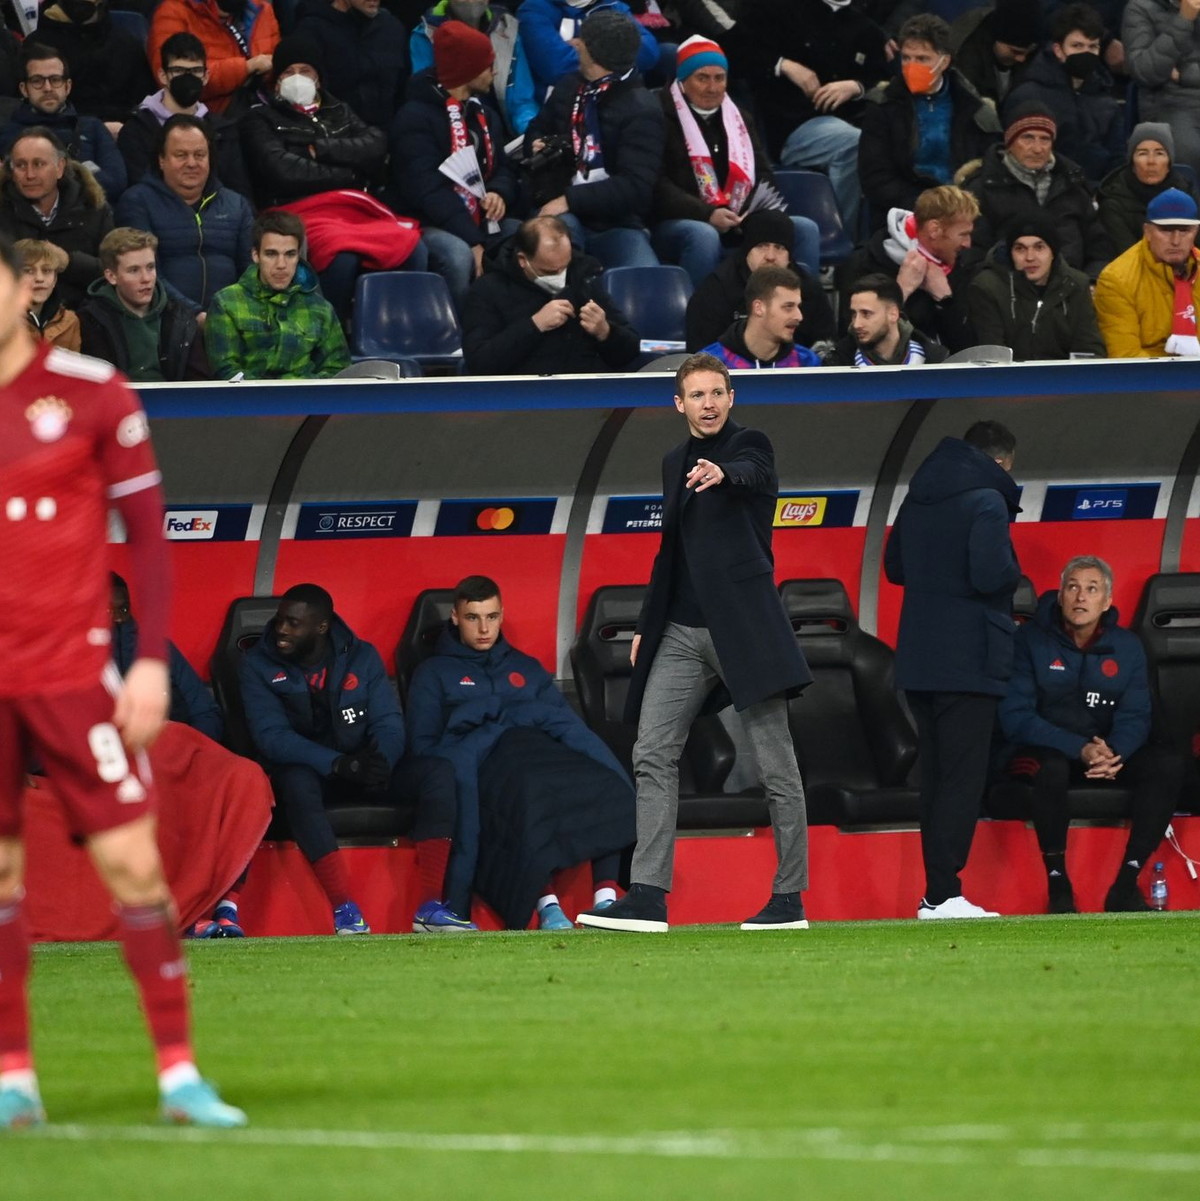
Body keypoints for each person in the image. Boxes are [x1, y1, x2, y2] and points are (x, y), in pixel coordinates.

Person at [0, 232, 245, 1129]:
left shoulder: (93, 392)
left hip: (71, 674)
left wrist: (145, 665)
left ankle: (179, 1073)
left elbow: (147, 538)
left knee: (135, 868)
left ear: (19, 286)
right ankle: (13, 1077)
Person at [577, 352, 814, 933]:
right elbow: (671, 556)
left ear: (731, 397)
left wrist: (723, 472)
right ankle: (649, 895)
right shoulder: (671, 462)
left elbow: (753, 471)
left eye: (718, 393)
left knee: (777, 765)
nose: (709, 403)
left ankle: (789, 899)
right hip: (681, 633)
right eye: (697, 395)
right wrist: (647, 626)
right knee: (652, 754)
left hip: (746, 632)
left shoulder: (750, 444)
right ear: (678, 404)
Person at [406, 576, 637, 929]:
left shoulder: (525, 667)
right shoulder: (433, 673)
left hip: (542, 759)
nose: (484, 628)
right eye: (473, 618)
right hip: (488, 765)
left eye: (492, 617)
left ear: (502, 615)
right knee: (528, 795)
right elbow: (426, 748)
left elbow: (563, 723)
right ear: (454, 617)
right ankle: (547, 905)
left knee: (606, 782)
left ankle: (605, 899)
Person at [240, 584, 471, 934]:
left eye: (293, 623)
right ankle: (344, 909)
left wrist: (382, 762)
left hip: (362, 767)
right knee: (295, 780)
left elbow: (388, 722)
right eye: (279, 621)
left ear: (321, 627)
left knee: (437, 772)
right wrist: (337, 764)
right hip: (315, 775)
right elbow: (273, 738)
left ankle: (430, 907)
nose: (281, 630)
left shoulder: (361, 656)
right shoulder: (256, 664)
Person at [884, 419, 1021, 920]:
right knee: (962, 782)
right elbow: (991, 574)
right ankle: (944, 894)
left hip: (919, 657)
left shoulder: (919, 493)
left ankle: (937, 892)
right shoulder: (987, 500)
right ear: (1000, 461)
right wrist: (1015, 571)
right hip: (970, 658)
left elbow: (894, 568)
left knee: (936, 780)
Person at [998, 556, 1184, 914]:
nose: (1081, 597)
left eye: (1092, 589)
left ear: (1107, 601)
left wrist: (1115, 753)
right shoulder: (1028, 641)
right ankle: (1058, 887)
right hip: (1046, 751)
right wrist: (1078, 748)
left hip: (1102, 755)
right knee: (1048, 767)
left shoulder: (1127, 646)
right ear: (1061, 594)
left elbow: (1136, 715)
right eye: (1073, 587)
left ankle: (1126, 887)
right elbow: (1016, 718)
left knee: (1169, 764)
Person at [650, 35, 821, 287]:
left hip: (738, 218)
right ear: (683, 81)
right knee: (703, 236)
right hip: (677, 221)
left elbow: (764, 174)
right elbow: (656, 184)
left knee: (804, 228)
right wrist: (707, 214)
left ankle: (799, 311)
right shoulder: (656, 115)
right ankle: (701, 319)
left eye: (719, 78)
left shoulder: (740, 118)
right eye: (702, 78)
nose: (712, 87)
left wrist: (748, 212)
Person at [389, 21, 520, 308]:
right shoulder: (414, 118)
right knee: (458, 256)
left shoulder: (483, 112)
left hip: (480, 220)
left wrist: (498, 192)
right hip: (427, 221)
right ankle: (458, 338)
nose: (494, 71)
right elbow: (427, 192)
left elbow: (504, 168)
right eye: (487, 65)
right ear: (467, 71)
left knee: (529, 237)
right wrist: (473, 241)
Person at [523, 8, 665, 270]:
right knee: (560, 250)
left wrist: (569, 199)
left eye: (582, 40)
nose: (575, 43)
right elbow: (537, 128)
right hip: (556, 210)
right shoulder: (570, 86)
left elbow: (635, 187)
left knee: (644, 278)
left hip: (615, 222)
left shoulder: (642, 110)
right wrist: (537, 143)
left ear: (597, 53)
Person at [738, 0, 888, 233]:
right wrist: (783, 65)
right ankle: (838, 239)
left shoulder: (867, 28)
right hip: (791, 124)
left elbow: (882, 77)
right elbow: (739, 48)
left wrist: (856, 86)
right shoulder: (781, 10)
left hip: (851, 120)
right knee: (855, 143)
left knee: (882, 138)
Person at [858, 13, 1002, 224]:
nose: (911, 66)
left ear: (944, 61)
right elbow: (875, 178)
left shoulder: (975, 110)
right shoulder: (882, 105)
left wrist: (958, 206)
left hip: (963, 213)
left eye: (922, 59)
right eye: (906, 58)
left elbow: (991, 171)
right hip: (902, 214)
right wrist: (928, 207)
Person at [461, 214, 639, 374]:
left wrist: (606, 332)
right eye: (549, 271)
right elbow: (479, 363)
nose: (560, 276)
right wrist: (534, 325)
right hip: (521, 400)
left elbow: (630, 351)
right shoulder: (487, 290)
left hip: (583, 397)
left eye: (565, 267)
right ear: (523, 260)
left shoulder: (584, 278)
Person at [115, 115, 254, 317]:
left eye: (200, 155)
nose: (191, 163)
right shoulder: (137, 202)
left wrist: (236, 315)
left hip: (233, 319)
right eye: (181, 155)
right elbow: (146, 276)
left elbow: (250, 270)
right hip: (166, 321)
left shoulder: (237, 205)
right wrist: (194, 315)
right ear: (161, 160)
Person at [961, 102, 1112, 278]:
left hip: (1072, 289)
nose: (1038, 148)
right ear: (1010, 142)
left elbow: (1100, 248)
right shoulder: (982, 188)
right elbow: (973, 254)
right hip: (1008, 292)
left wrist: (1091, 281)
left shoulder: (1073, 184)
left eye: (1045, 139)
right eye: (1028, 138)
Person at [241, 35, 387, 210]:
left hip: (353, 203)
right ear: (277, 83)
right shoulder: (260, 118)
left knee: (417, 237)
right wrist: (351, 174)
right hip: (298, 210)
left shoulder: (340, 109)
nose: (297, 78)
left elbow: (376, 145)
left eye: (305, 71)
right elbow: (282, 170)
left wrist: (321, 149)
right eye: (288, 72)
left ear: (317, 79)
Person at [205, 211, 351, 379]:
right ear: (255, 255)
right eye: (271, 254)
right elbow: (226, 370)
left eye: (290, 254)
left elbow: (337, 370)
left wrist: (297, 394)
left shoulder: (321, 309)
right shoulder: (226, 302)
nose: (281, 265)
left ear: (299, 256)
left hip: (306, 402)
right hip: (249, 402)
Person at [842, 184, 980, 353]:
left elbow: (969, 350)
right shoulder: (865, 264)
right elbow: (852, 344)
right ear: (934, 230)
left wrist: (945, 300)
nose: (968, 244)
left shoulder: (961, 265)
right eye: (963, 234)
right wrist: (900, 292)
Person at [117, 32, 254, 201]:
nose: (188, 78)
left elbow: (240, 194)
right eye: (179, 70)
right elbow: (138, 193)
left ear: (206, 76)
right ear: (163, 75)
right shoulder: (137, 129)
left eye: (196, 70)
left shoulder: (223, 131)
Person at [684, 208, 834, 354]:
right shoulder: (717, 289)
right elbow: (700, 353)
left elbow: (825, 347)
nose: (770, 256)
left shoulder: (809, 289)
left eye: (779, 248)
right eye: (762, 246)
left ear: (789, 256)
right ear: (746, 252)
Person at [1004, 3, 1124, 183]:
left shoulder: (1106, 102)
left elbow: (1118, 158)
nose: (1085, 53)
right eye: (1077, 45)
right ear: (1058, 50)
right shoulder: (1027, 97)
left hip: (1098, 197)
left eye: (1092, 47)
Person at [78, 227, 210, 383]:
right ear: (112, 276)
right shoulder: (91, 320)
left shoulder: (181, 317)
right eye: (134, 270)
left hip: (175, 404)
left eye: (150, 267)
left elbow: (199, 383)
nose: (146, 278)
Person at [0, 129, 114, 307]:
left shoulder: (93, 207)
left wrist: (69, 263)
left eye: (38, 164)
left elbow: (115, 272)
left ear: (59, 167)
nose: (29, 175)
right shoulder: (3, 211)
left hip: (84, 317)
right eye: (21, 165)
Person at [968, 214, 1107, 359]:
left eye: (1039, 247)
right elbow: (992, 355)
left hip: (1064, 378)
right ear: (1010, 254)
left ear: (1053, 252)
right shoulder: (988, 287)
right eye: (1020, 249)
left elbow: (1089, 348)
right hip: (1010, 378)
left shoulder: (1075, 284)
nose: (1030, 257)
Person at [0, 43, 126, 199]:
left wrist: (51, 179)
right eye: (37, 80)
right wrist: (85, 172)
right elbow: (15, 188)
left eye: (55, 79)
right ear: (24, 89)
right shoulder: (8, 135)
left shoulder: (92, 127)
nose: (47, 88)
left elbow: (116, 181)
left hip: (89, 217)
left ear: (67, 86)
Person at [110, 574, 223, 745]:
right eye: (107, 611)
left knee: (246, 771)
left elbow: (206, 712)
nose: (118, 618)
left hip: (177, 749)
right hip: (114, 759)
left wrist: (191, 750)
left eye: (124, 610)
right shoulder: (77, 660)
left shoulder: (159, 648)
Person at [1093, 186, 1200, 357]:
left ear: (1195, 232)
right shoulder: (1116, 279)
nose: (1175, 241)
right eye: (1165, 230)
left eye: (1184, 231)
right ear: (1147, 232)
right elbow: (1126, 356)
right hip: (1151, 380)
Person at [408, 0, 536, 137]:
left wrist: (532, 134)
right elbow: (428, 96)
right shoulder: (426, 34)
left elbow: (521, 100)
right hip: (452, 132)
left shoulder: (506, 29)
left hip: (503, 134)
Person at [27, 0, 155, 127]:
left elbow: (144, 104)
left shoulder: (126, 44)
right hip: (56, 133)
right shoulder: (35, 46)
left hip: (121, 132)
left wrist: (126, 129)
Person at [148, 0, 281, 116]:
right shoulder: (173, 11)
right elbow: (173, 77)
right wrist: (246, 67)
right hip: (204, 116)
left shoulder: (262, 10)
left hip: (264, 107)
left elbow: (278, 65)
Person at [295, 0, 411, 131]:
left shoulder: (392, 28)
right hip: (333, 135)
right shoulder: (312, 29)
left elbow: (403, 87)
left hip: (387, 134)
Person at [1123, 0, 1200, 181]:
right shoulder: (1140, 8)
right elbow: (1145, 71)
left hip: (1183, 89)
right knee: (1186, 152)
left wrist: (1185, 75)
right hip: (1170, 104)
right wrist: (1184, 20)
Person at [516, 0, 660, 95]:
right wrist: (618, 53)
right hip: (566, 101)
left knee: (668, 53)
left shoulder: (612, 4)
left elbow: (649, 51)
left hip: (619, 95)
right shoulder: (534, 10)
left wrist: (586, 47)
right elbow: (557, 68)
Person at [1097, 122, 1198, 256]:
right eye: (1142, 153)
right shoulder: (1113, 203)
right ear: (1132, 162)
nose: (1151, 161)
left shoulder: (1187, 194)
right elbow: (1128, 257)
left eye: (1159, 153)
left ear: (1169, 162)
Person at [701, 265, 821, 369]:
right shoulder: (708, 365)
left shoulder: (808, 363)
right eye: (788, 306)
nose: (799, 316)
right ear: (759, 308)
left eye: (798, 306)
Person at [823, 274, 949, 366]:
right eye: (854, 314)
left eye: (866, 314)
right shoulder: (836, 364)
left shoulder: (934, 360)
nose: (856, 324)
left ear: (893, 314)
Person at [949, 0, 1040, 105]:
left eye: (1028, 52)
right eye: (1015, 51)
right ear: (996, 40)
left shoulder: (1036, 57)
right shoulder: (967, 59)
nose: (1022, 58)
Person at [16, 238, 80, 351]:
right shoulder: (5, 321)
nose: (39, 278)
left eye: (46, 271)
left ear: (55, 279)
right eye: (28, 271)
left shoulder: (70, 321)